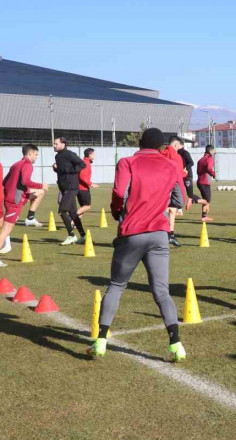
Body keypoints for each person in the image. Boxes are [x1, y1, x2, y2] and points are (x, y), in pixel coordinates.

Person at [87, 128, 187, 362]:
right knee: (162, 292)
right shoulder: (170, 166)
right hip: (160, 234)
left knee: (116, 286)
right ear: (162, 147)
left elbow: (119, 192)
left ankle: (101, 341)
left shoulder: (127, 162)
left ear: (140, 143)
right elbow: (180, 200)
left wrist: (116, 211)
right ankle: (176, 344)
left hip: (132, 232)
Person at [0, 144, 48, 267]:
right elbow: (26, 181)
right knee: (5, 230)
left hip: (18, 197)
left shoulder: (16, 164)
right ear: (30, 153)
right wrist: (40, 184)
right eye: (36, 154)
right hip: (14, 202)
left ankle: (30, 218)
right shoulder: (27, 164)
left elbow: (5, 182)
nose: (36, 157)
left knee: (41, 193)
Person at [53, 137, 87, 246]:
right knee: (73, 213)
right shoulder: (57, 156)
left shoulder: (69, 154)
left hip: (71, 187)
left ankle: (71, 235)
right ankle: (83, 235)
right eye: (53, 144)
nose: (54, 146)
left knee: (62, 211)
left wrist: (69, 170)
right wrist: (56, 169)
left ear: (63, 143)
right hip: (63, 187)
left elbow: (82, 164)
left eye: (56, 143)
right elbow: (61, 170)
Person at [161, 136, 191, 246]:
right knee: (173, 206)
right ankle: (167, 234)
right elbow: (178, 173)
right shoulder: (176, 156)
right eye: (179, 145)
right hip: (172, 184)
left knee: (171, 209)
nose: (180, 147)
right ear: (175, 145)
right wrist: (185, 173)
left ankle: (170, 234)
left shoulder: (161, 153)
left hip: (161, 185)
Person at [195, 144, 216, 222]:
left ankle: (204, 217)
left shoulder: (201, 160)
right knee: (207, 200)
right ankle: (193, 200)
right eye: (213, 150)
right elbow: (209, 168)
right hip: (205, 182)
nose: (214, 152)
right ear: (210, 151)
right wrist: (213, 174)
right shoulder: (209, 159)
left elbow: (197, 172)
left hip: (200, 181)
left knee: (205, 200)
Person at [77, 148, 99, 218]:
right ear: (89, 155)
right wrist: (91, 184)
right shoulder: (85, 163)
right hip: (82, 188)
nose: (94, 155)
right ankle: (72, 217)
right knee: (87, 206)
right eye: (93, 154)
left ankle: (73, 223)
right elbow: (82, 176)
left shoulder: (85, 162)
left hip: (80, 188)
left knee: (83, 207)